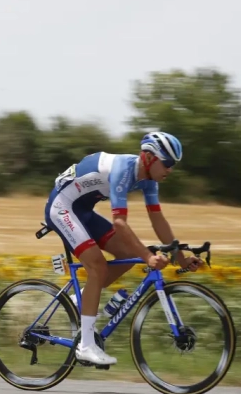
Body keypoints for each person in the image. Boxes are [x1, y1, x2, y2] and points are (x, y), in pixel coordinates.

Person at [44, 131, 202, 366]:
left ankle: (82, 300)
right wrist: (148, 256)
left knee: (128, 255)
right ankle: (86, 346)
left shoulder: (148, 180)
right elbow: (119, 223)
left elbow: (158, 220)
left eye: (174, 165)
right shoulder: (123, 170)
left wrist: (180, 257)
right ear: (149, 158)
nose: (170, 169)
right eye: (167, 163)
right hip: (62, 208)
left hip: (83, 210)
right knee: (97, 265)